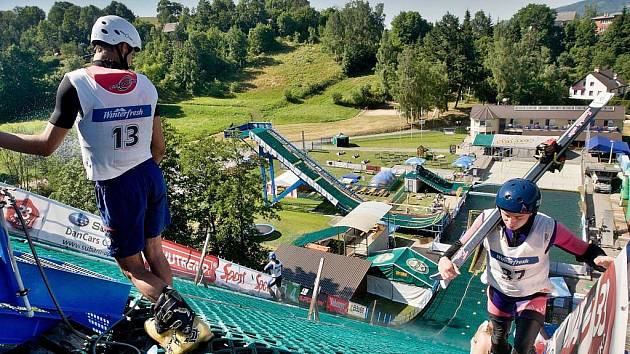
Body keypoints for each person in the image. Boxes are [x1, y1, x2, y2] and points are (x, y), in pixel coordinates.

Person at [0, 15, 211, 354]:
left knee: (132, 267)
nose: (134, 58)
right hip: (149, 175)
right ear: (122, 46)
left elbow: (44, 146)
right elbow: (160, 147)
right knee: (154, 251)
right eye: (133, 51)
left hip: (116, 185)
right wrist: (143, 177)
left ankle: (186, 325)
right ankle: (167, 324)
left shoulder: (76, 83)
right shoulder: (145, 84)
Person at [438, 178, 614, 354]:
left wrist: (597, 258)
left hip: (532, 295)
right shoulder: (487, 219)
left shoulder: (547, 227)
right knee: (498, 345)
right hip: (500, 293)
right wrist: (445, 259)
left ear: (532, 212)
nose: (511, 222)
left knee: (523, 347)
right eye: (506, 215)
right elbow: (462, 244)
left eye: (518, 217)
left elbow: (581, 248)